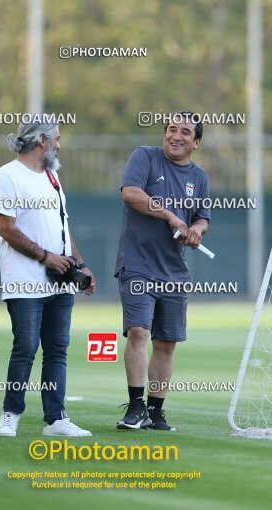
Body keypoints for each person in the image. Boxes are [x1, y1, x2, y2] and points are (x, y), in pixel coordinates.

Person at [0, 115, 95, 437]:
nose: (60, 144)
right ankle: (10, 414)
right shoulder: (7, 175)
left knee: (57, 349)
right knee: (25, 346)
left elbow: (63, 227)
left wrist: (80, 264)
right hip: (24, 280)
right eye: (57, 138)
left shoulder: (52, 176)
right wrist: (46, 257)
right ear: (41, 142)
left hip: (60, 281)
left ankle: (55, 419)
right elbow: (5, 228)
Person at [115, 111, 211, 431]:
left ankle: (155, 412)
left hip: (174, 271)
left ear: (196, 142)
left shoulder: (199, 177)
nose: (176, 136)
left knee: (166, 343)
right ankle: (136, 406)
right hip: (138, 264)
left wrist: (196, 230)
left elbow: (202, 217)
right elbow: (131, 193)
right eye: (172, 129)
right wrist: (169, 215)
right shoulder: (145, 157)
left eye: (185, 132)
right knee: (139, 332)